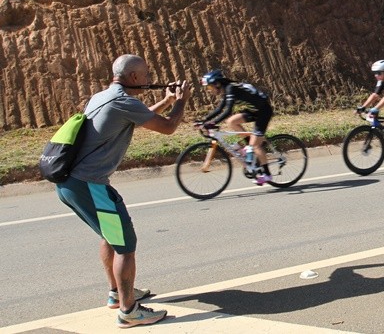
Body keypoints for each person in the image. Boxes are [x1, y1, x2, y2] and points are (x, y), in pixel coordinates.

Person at [55, 54, 187, 328]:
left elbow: (139, 116)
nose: (149, 79)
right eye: (147, 75)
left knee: (110, 236)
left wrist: (167, 101)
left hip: (71, 184)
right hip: (89, 185)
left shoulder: (102, 97)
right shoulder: (123, 102)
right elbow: (168, 127)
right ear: (135, 78)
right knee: (126, 245)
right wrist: (182, 100)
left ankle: (117, 294)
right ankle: (129, 311)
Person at [199, 69, 274, 186]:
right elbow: (219, 109)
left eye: (210, 87)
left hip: (264, 111)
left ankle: (267, 174)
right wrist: (203, 121)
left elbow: (228, 110)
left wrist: (213, 123)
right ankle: (249, 146)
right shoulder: (226, 90)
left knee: (255, 145)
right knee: (232, 122)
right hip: (253, 111)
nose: (210, 90)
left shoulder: (231, 88)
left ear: (217, 83)